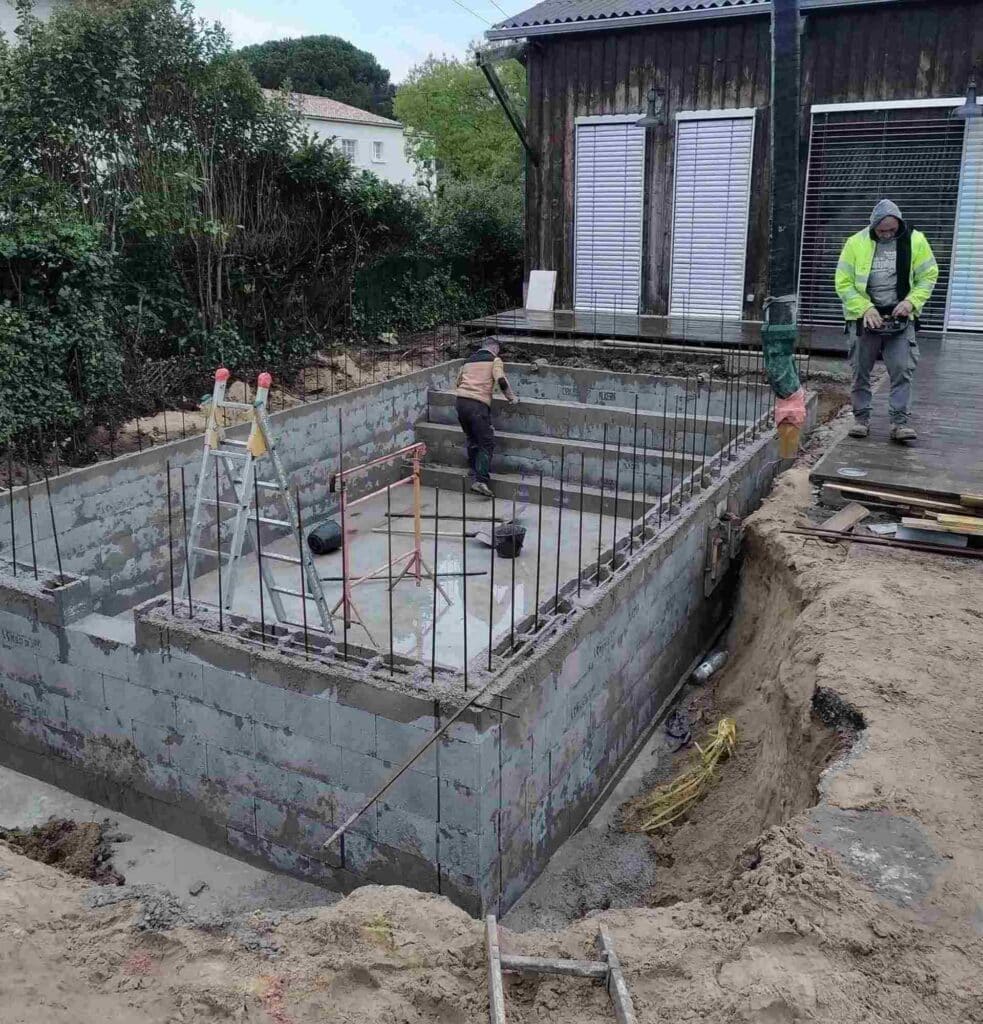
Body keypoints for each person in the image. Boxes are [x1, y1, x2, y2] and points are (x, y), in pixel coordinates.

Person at [834, 199, 938, 443]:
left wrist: (911, 301)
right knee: (860, 371)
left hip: (900, 318)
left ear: (899, 225)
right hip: (865, 318)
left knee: (902, 370)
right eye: (881, 231)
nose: (887, 235)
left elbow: (928, 276)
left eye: (892, 230)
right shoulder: (855, 243)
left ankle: (899, 423)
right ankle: (861, 419)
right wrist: (864, 308)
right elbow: (843, 282)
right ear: (873, 227)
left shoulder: (915, 240)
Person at [455, 340, 518, 496]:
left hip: (461, 402)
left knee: (472, 438)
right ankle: (481, 481)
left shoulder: (468, 361)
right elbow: (501, 379)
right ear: (494, 348)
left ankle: (473, 469)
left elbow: (458, 382)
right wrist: (511, 397)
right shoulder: (494, 360)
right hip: (478, 405)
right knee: (487, 442)